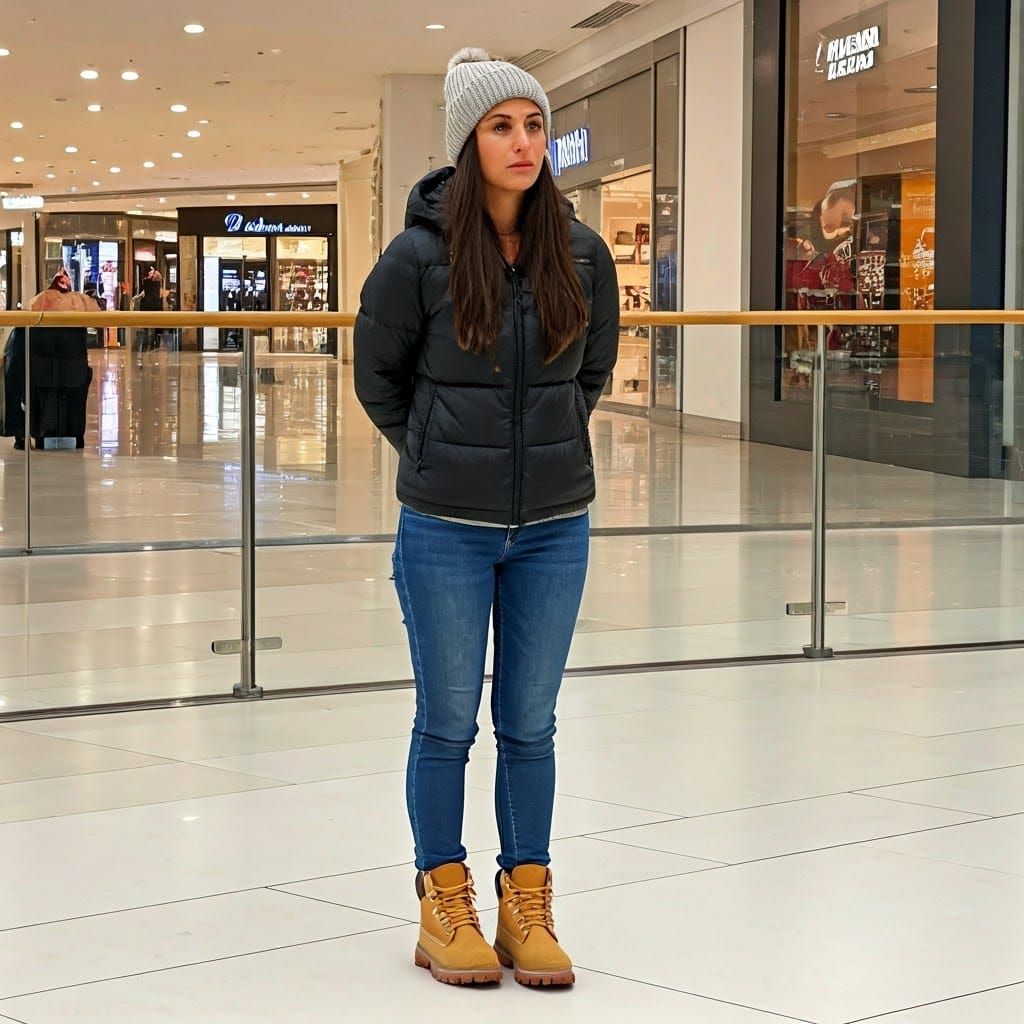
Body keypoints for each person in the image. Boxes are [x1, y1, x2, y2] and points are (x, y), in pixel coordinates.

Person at [354, 47, 619, 989]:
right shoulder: (417, 255)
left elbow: (591, 371)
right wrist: (438, 453)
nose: (522, 142)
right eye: (502, 125)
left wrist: (537, 446)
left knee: (532, 722)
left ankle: (527, 899)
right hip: (445, 529)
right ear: (468, 141)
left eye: (534, 125)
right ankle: (443, 899)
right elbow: (376, 380)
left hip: (555, 524)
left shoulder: (581, 251)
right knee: (449, 719)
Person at [2, 269, 96, 449]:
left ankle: (29, 433)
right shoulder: (78, 308)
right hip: (73, 373)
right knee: (72, 405)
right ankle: (71, 436)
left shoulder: (36, 307)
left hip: (41, 374)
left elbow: (15, 367)